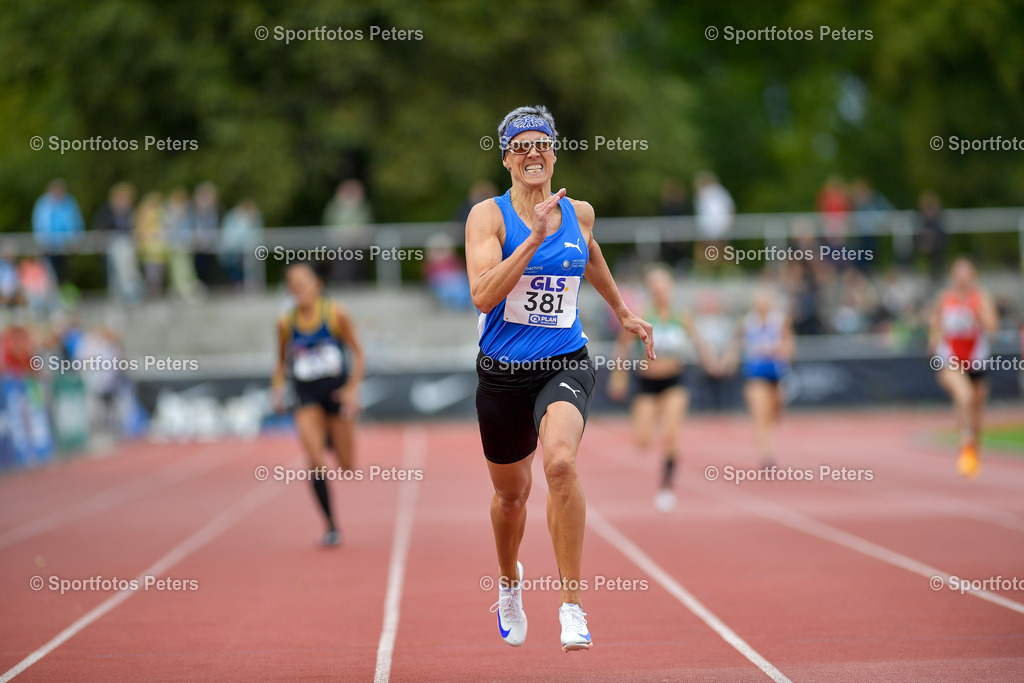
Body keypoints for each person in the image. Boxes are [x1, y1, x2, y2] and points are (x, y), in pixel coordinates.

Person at [466, 105, 654, 652]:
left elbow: (590, 255)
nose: (532, 153)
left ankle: (572, 603)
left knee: (562, 464)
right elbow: (481, 294)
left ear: (553, 152)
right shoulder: (489, 218)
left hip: (564, 360)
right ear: (506, 159)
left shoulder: (581, 213)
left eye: (540, 143)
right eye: (520, 145)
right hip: (502, 373)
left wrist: (623, 312)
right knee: (511, 497)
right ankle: (509, 583)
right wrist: (531, 239)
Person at [272, 262, 365, 546]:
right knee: (315, 461)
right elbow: (280, 363)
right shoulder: (286, 323)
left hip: (336, 394)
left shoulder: (336, 313)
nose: (297, 286)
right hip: (306, 396)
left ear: (317, 284)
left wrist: (351, 390)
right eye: (292, 281)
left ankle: (328, 435)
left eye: (303, 280)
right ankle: (331, 526)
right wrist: (277, 389)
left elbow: (359, 355)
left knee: (347, 465)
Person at [609, 265, 711, 512]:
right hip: (646, 383)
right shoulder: (642, 314)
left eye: (663, 285)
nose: (660, 290)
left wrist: (712, 363)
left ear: (671, 288)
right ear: (650, 290)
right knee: (642, 441)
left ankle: (666, 487)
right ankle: (652, 422)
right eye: (655, 286)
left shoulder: (681, 316)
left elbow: (699, 343)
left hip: (674, 381)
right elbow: (623, 346)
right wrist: (618, 376)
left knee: (671, 436)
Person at [928, 257, 998, 479]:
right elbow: (935, 326)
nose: (962, 279)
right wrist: (934, 339)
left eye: (966, 274)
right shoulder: (944, 299)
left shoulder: (982, 298)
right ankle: (965, 438)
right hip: (951, 360)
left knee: (976, 413)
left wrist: (976, 312)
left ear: (973, 277)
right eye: (959, 275)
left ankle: (971, 449)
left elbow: (992, 328)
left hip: (976, 361)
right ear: (953, 277)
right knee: (964, 395)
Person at [721, 289, 795, 469]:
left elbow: (790, 344)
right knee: (760, 413)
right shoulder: (747, 322)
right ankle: (766, 454)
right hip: (755, 374)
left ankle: (767, 442)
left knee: (774, 413)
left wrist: (780, 350)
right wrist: (727, 362)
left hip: (777, 374)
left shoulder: (779, 320)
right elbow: (735, 343)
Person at [31, 179, 84, 282]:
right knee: (48, 273)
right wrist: (43, 241)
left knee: (63, 272)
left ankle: (62, 290)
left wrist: (74, 239)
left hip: (66, 245)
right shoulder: (43, 204)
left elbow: (75, 222)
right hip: (48, 246)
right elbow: (40, 224)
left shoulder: (69, 202)